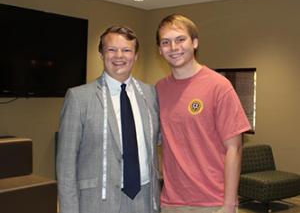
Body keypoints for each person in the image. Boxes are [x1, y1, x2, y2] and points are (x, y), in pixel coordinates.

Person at [57, 26, 160, 213]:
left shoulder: (150, 94)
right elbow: (66, 166)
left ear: (135, 56)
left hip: (144, 200)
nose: (119, 56)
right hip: (98, 203)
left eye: (127, 50)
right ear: (101, 54)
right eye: (111, 49)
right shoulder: (79, 98)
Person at [155, 14, 251, 213]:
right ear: (160, 50)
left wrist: (229, 204)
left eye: (180, 39)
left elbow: (235, 149)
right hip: (171, 202)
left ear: (195, 43)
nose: (173, 48)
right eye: (166, 42)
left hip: (212, 203)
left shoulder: (219, 86)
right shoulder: (158, 90)